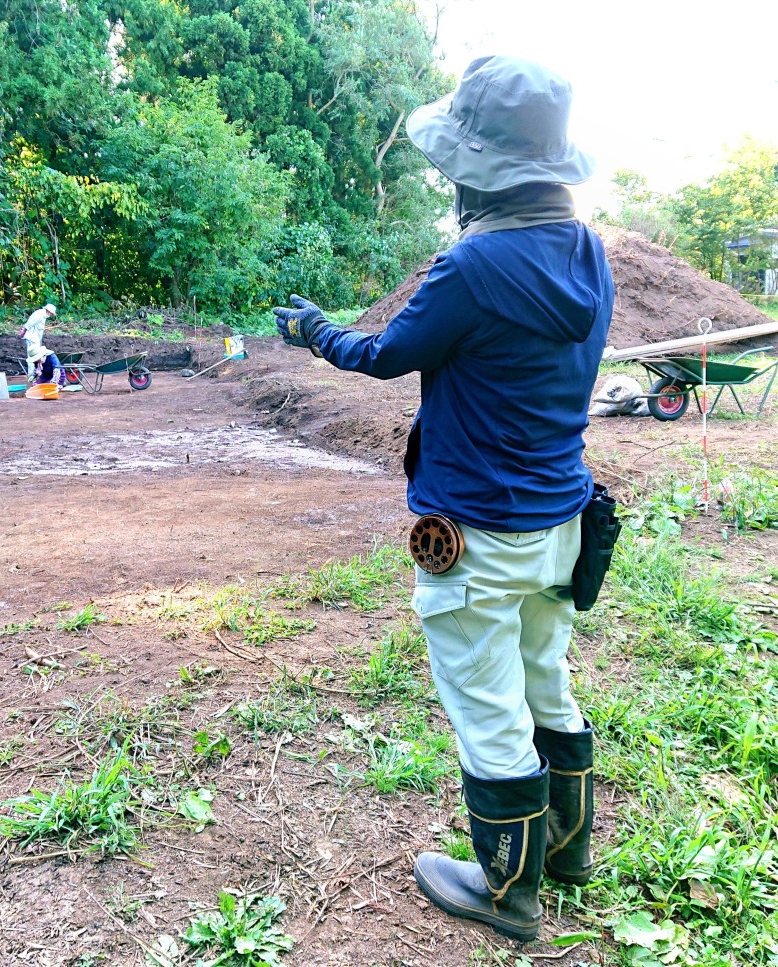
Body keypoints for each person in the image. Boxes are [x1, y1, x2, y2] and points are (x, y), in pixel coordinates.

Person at [272, 57, 613, 942]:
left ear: (477, 171)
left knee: (486, 704)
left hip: (479, 530)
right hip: (563, 519)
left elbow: (385, 356)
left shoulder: (473, 263)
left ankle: (508, 892)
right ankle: (568, 848)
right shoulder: (587, 253)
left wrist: (316, 331)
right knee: (547, 677)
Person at [20, 303, 57, 379]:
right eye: (51, 313)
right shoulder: (39, 314)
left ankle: (36, 374)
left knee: (37, 357)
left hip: (35, 339)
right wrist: (23, 330)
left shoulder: (43, 316)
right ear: (49, 311)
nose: (51, 315)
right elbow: (30, 323)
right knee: (32, 357)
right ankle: (31, 375)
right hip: (32, 338)